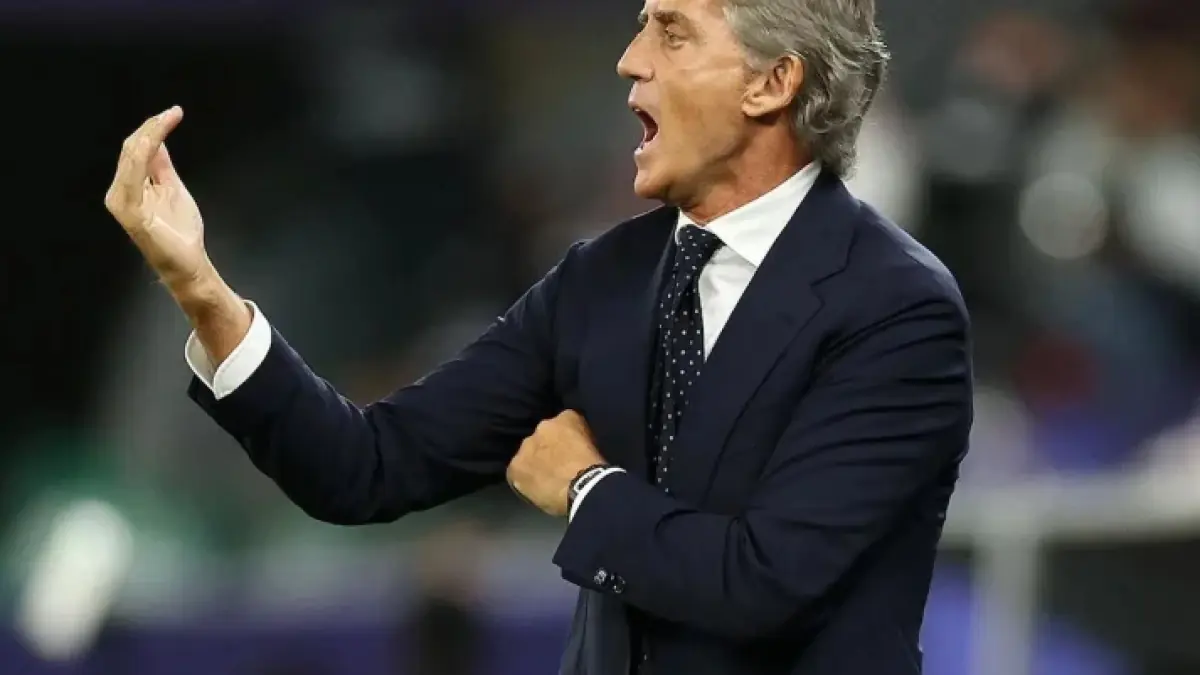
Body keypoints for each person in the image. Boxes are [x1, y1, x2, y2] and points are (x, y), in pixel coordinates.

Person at [103, 0, 972, 673]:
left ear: (771, 83)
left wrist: (586, 488)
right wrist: (203, 291)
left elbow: (766, 583)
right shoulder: (603, 281)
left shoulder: (896, 310)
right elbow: (364, 466)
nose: (630, 60)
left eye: (671, 33)